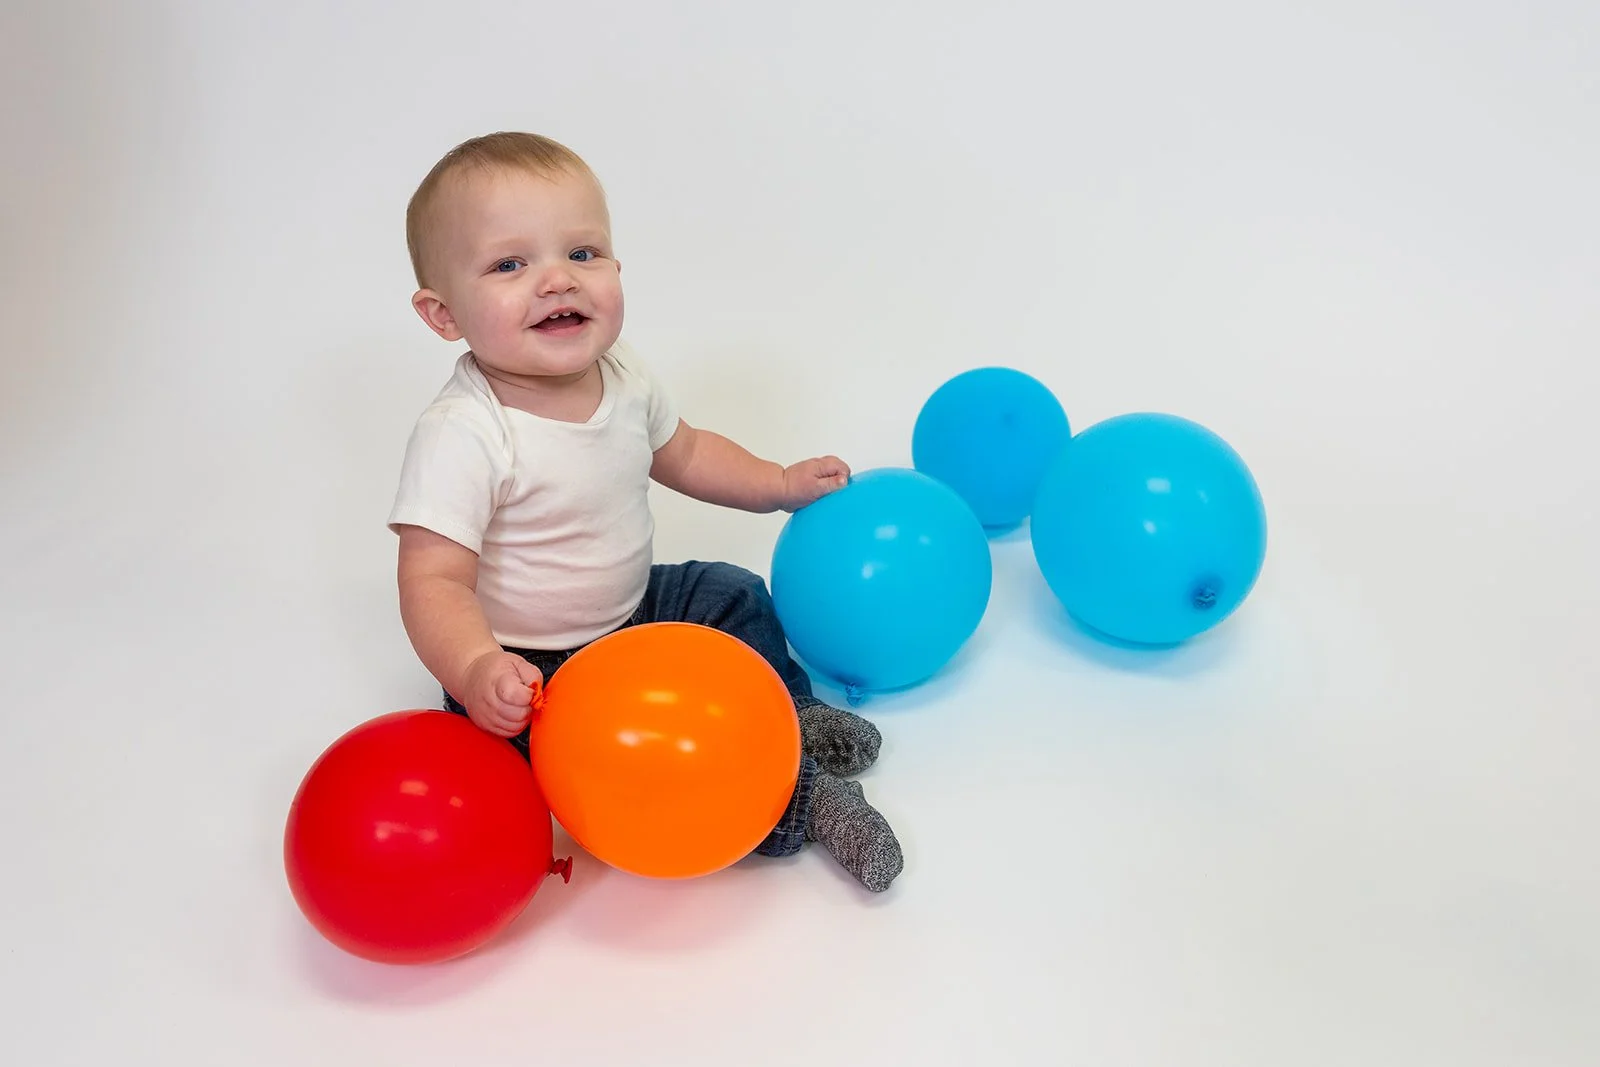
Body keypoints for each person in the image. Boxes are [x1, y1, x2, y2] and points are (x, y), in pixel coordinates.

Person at [386, 132, 903, 892]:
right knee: (617, 762)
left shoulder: (623, 374)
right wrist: (476, 669)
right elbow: (431, 579)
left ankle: (792, 714)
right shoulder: (463, 432)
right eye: (509, 264)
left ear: (618, 267)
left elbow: (686, 452)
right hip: (534, 666)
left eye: (583, 253)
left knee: (731, 591)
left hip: (637, 611)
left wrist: (776, 481)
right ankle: (803, 800)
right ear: (443, 313)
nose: (557, 280)